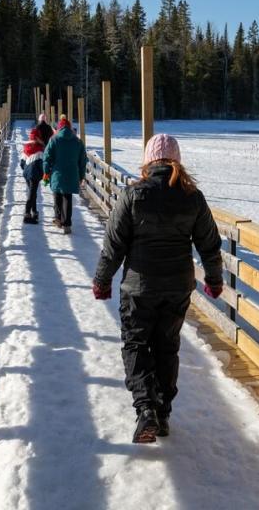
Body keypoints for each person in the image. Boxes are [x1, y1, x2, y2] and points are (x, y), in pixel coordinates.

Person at [92, 134, 223, 443]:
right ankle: (162, 413)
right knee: (167, 347)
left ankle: (146, 408)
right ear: (177, 161)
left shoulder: (134, 194)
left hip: (139, 287)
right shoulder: (193, 197)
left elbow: (113, 245)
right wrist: (214, 279)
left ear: (149, 162)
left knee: (136, 345)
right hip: (177, 286)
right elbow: (209, 244)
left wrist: (102, 279)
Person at [42, 115, 87, 234]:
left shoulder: (54, 139)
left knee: (57, 196)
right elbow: (83, 161)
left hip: (57, 173)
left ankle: (58, 219)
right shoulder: (78, 141)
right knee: (67, 197)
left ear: (59, 128)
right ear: (70, 128)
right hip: (72, 174)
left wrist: (46, 171)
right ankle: (67, 223)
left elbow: (46, 157)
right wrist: (81, 176)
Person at [20, 127, 45, 224]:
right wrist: (42, 173)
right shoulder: (39, 149)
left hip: (27, 174)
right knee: (32, 194)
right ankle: (27, 214)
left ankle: (34, 212)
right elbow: (42, 164)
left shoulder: (26, 148)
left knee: (32, 192)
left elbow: (21, 163)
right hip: (34, 174)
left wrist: (26, 169)